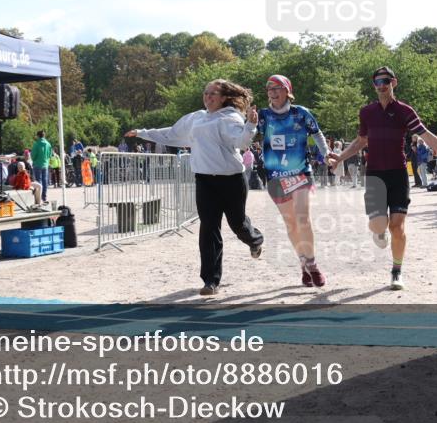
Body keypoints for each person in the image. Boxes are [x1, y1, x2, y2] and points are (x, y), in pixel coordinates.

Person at [327, 66, 437, 290]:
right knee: (377, 226)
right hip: (374, 174)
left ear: (393, 82)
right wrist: (340, 157)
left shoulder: (405, 111)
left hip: (397, 173)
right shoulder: (367, 112)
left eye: (385, 80)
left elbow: (427, 136)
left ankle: (396, 271)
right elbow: (360, 141)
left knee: (397, 226)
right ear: (374, 85)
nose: (381, 85)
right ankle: (379, 230)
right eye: (377, 81)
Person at [127, 79, 264, 296]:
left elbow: (242, 143)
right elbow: (171, 133)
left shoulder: (230, 118)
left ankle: (255, 240)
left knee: (237, 223)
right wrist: (143, 132)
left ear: (223, 98)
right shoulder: (196, 118)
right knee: (208, 228)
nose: (208, 97)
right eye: (206, 93)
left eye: (213, 94)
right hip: (204, 180)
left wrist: (250, 125)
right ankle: (210, 280)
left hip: (231, 179)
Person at [257, 74, 330, 287]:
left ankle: (313, 265)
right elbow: (249, 134)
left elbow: (317, 134)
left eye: (277, 88)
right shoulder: (262, 115)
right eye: (269, 89)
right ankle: (303, 263)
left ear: (287, 91)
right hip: (275, 177)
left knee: (302, 218)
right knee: (291, 224)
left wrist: (325, 153)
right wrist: (249, 125)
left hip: (300, 173)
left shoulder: (301, 113)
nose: (273, 92)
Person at [31, 130, 52, 204]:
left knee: (38, 181)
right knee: (45, 181)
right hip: (45, 164)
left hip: (37, 164)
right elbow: (50, 155)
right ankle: (44, 197)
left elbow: (33, 155)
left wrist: (34, 159)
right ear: (44, 135)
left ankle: (38, 198)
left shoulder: (36, 144)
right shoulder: (48, 144)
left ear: (38, 136)